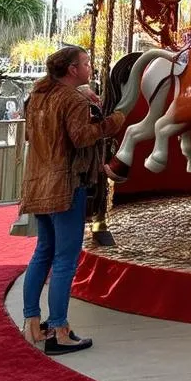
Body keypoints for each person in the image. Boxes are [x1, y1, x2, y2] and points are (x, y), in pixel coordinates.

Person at [20, 46, 124, 354]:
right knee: (65, 259)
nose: (89, 66)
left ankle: (32, 322)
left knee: (43, 252)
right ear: (72, 70)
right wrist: (113, 122)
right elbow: (81, 137)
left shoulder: (37, 97)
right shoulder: (71, 99)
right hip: (66, 184)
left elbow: (32, 137)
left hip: (39, 182)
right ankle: (59, 329)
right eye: (85, 63)